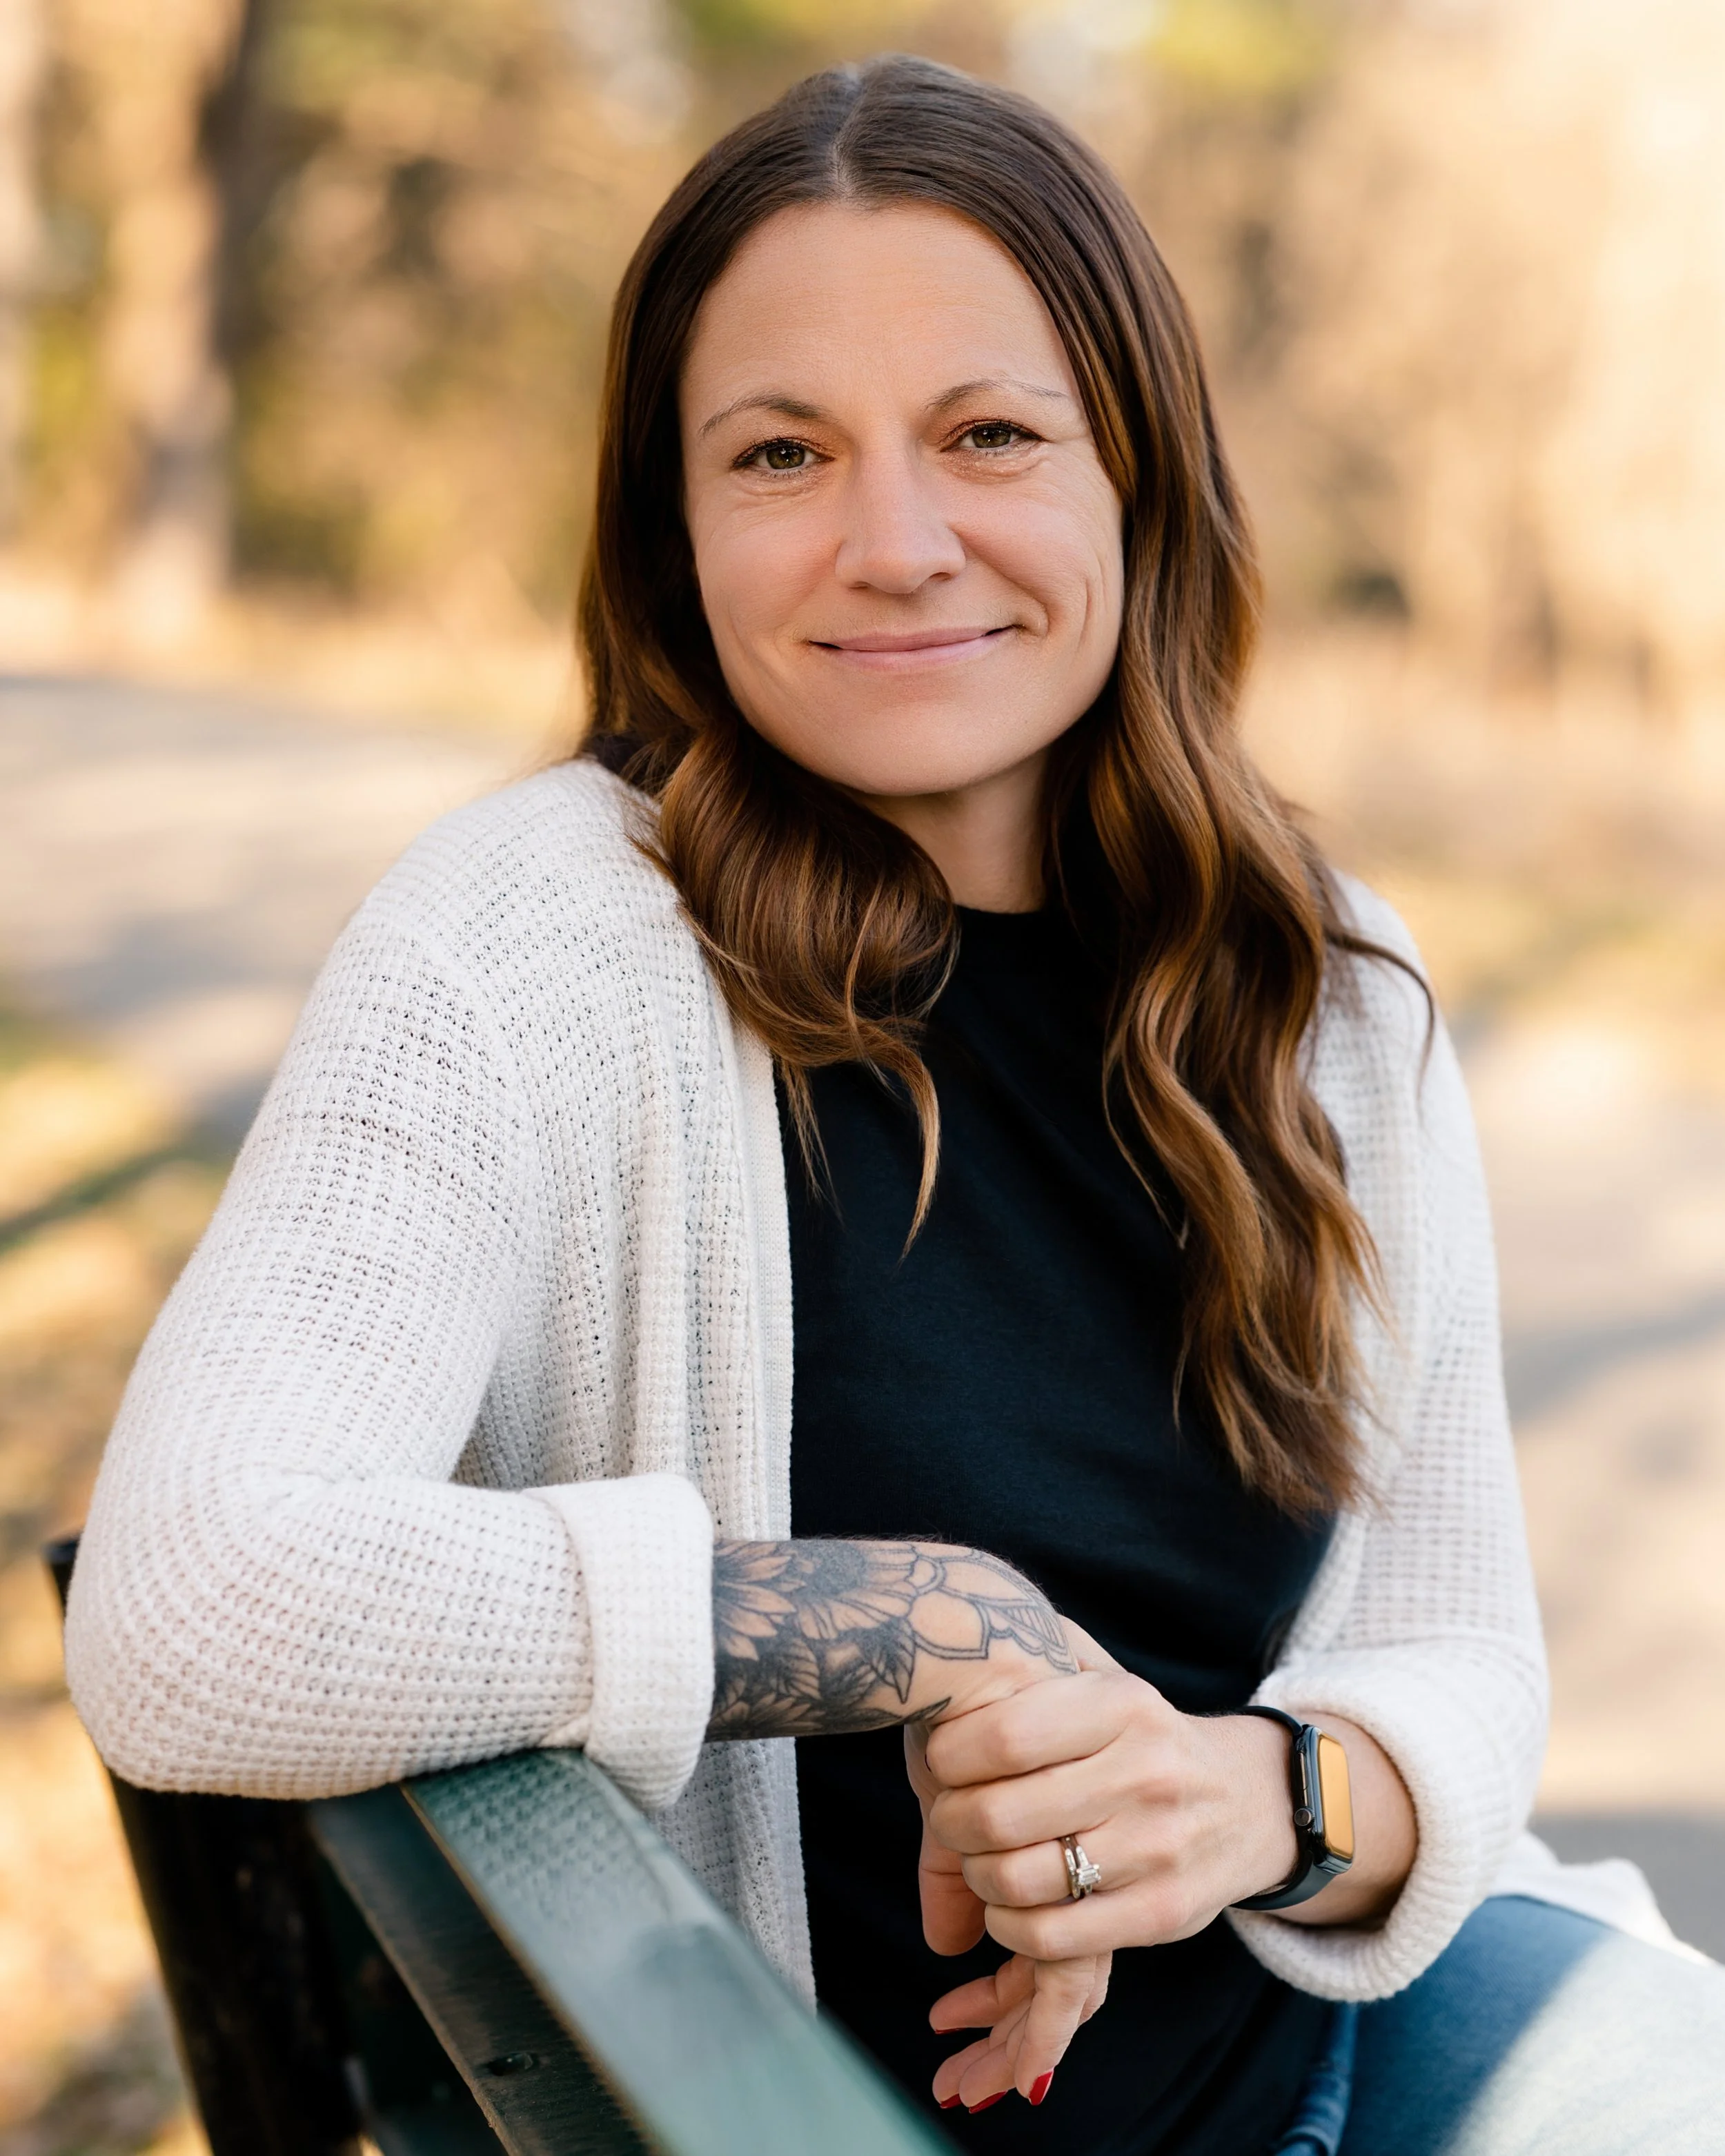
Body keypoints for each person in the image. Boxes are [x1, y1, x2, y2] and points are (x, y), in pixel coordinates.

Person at [65, 54, 1725, 2155]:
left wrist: (1267, 1798)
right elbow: (195, 1598)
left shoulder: (1322, 989)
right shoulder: (533, 940)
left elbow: (1455, 1644)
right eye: (780, 452)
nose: (895, 539)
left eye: (989, 435)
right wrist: (907, 1621)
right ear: (675, 532)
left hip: (1329, 2050)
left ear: (1137, 478)